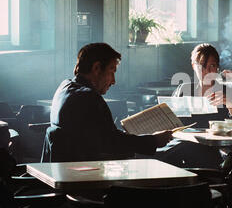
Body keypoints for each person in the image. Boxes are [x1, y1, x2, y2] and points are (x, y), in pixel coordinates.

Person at [42, 43, 173, 162]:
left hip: (67, 172)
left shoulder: (65, 87)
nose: (113, 81)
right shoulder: (88, 97)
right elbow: (111, 143)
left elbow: (97, 136)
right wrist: (154, 140)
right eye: (112, 71)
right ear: (97, 68)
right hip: (88, 176)